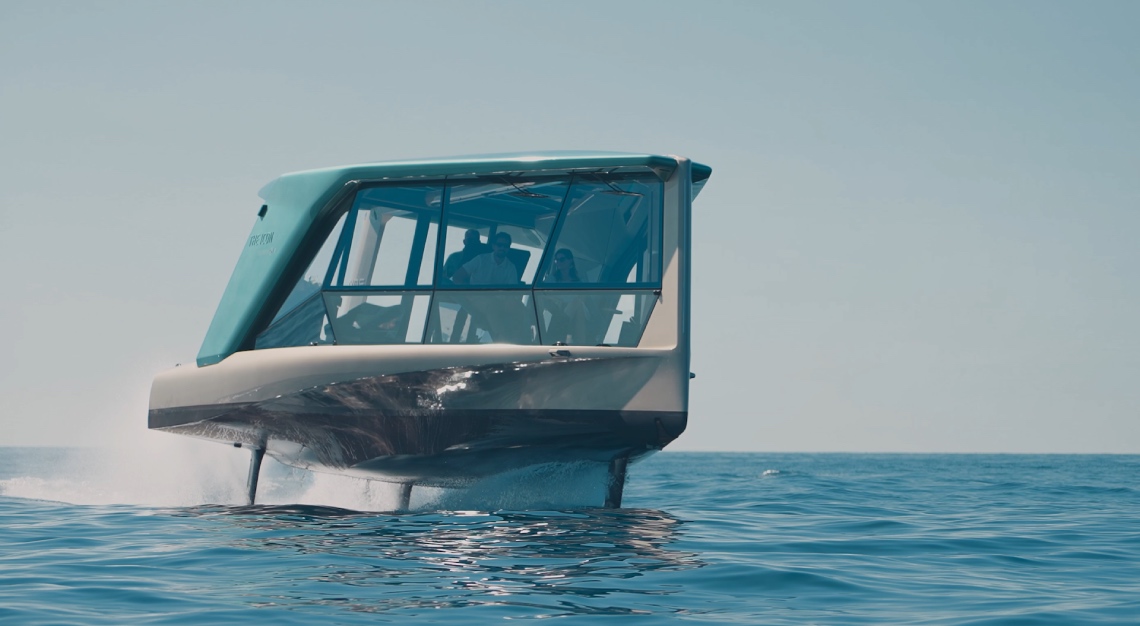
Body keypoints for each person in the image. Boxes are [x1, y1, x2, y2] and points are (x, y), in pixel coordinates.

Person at [544, 248, 590, 344]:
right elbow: (543, 294)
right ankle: (581, 343)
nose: (558, 262)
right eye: (556, 260)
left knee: (578, 305)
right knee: (577, 308)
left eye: (562, 259)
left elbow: (584, 297)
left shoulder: (579, 280)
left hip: (574, 309)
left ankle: (579, 344)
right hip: (556, 309)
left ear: (570, 261)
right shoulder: (552, 279)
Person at [451, 231, 519, 285]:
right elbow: (457, 277)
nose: (502, 248)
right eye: (499, 245)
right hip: (473, 300)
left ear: (509, 248)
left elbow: (513, 292)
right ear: (493, 246)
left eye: (506, 245)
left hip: (496, 302)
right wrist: (467, 297)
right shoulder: (480, 259)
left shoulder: (511, 268)